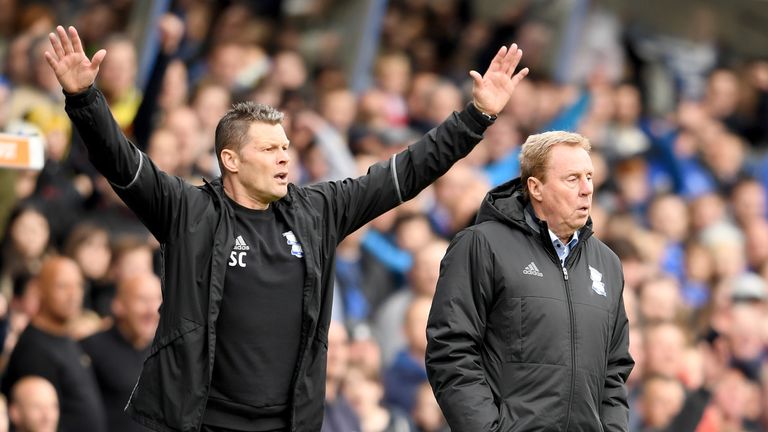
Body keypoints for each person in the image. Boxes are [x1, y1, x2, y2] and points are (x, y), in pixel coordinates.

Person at [44, 25, 529, 432]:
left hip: (287, 423)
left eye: (285, 147)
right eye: (269, 149)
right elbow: (121, 162)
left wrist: (477, 116)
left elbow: (406, 173)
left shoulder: (318, 211)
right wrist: (83, 97)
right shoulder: (188, 211)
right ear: (230, 160)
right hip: (197, 421)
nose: (284, 156)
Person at [426, 131, 634, 431]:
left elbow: (614, 368)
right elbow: (450, 349)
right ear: (536, 188)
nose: (587, 189)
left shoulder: (608, 263)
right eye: (572, 179)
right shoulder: (481, 245)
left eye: (589, 177)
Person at [1, 256, 107, 432]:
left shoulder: (63, 335)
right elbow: (38, 422)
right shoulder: (34, 348)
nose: (74, 294)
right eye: (63, 286)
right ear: (40, 290)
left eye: (79, 285)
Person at [81, 272, 162, 432]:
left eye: (157, 300)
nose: (152, 310)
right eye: (142, 300)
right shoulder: (91, 347)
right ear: (118, 305)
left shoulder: (169, 349)